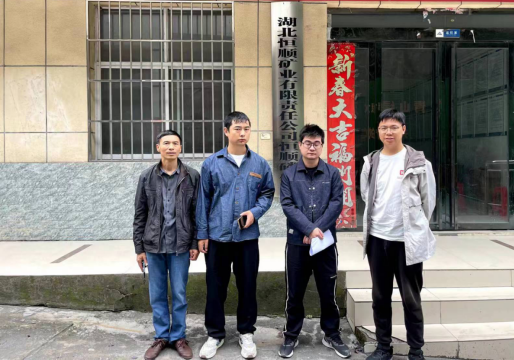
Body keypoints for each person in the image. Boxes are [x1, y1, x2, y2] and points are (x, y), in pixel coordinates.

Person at [196, 111, 275, 359]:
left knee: (248, 286)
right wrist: (202, 234)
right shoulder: (211, 163)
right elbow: (203, 200)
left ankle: (246, 332)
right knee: (215, 287)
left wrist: (255, 212)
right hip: (217, 236)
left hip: (247, 238)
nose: (243, 133)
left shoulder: (259, 163)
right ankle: (215, 334)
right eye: (238, 128)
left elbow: (268, 193)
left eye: (246, 129)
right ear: (226, 131)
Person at [361, 109, 436, 360]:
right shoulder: (371, 162)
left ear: (403, 129)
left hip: (407, 242)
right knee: (380, 297)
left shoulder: (420, 163)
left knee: (411, 299)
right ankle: (384, 347)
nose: (388, 132)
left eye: (394, 127)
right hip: (377, 239)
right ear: (378, 131)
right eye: (384, 128)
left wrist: (415, 228)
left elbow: (428, 203)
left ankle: (416, 350)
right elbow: (367, 196)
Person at [278, 124, 351, 359]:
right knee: (294, 294)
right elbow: (287, 205)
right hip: (297, 244)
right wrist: (308, 229)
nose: (312, 147)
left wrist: (316, 230)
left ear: (322, 146)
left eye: (316, 143)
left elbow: (336, 204)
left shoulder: (332, 173)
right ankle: (291, 335)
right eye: (307, 143)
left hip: (325, 244)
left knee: (328, 293)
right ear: (300, 145)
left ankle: (332, 334)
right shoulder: (289, 175)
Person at [133, 130, 200, 360]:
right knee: (157, 294)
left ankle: (178, 337)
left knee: (179, 293)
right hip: (153, 245)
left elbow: (196, 213)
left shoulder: (192, 176)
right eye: (166, 143)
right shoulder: (146, 177)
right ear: (158, 147)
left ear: (180, 147)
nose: (171, 147)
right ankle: (161, 336)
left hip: (181, 245)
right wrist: (139, 248)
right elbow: (140, 214)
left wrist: (194, 242)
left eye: (175, 143)